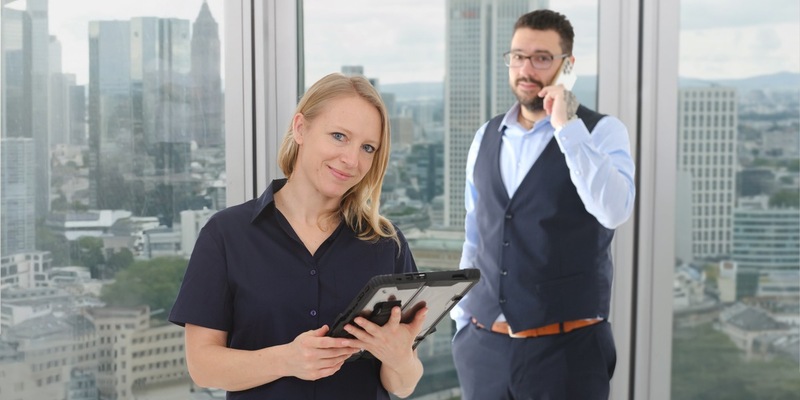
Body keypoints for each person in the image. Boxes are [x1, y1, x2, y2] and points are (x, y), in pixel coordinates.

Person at [169, 72, 428, 400]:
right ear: (301, 128)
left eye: (367, 147)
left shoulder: (386, 244)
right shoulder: (225, 235)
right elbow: (203, 366)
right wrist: (287, 360)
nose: (351, 159)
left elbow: (403, 385)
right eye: (338, 136)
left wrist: (399, 357)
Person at [450, 9, 636, 400]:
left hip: (566, 354)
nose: (525, 68)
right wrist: (462, 320)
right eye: (517, 56)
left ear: (567, 66)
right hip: (484, 351)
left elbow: (614, 210)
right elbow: (476, 235)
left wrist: (567, 127)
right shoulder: (486, 135)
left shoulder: (601, 132)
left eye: (541, 58)